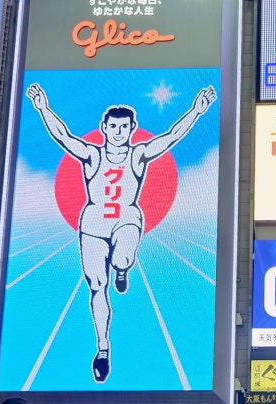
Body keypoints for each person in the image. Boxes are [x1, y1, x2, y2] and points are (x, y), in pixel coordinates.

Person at [26, 83, 216, 383]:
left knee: (122, 258)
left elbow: (171, 137)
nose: (118, 131)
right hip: (93, 224)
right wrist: (43, 108)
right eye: (113, 126)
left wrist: (196, 111)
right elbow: (63, 136)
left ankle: (123, 269)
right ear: (104, 127)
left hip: (126, 217)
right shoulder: (92, 155)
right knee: (96, 286)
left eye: (123, 127)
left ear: (132, 129)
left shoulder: (138, 154)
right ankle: (103, 348)